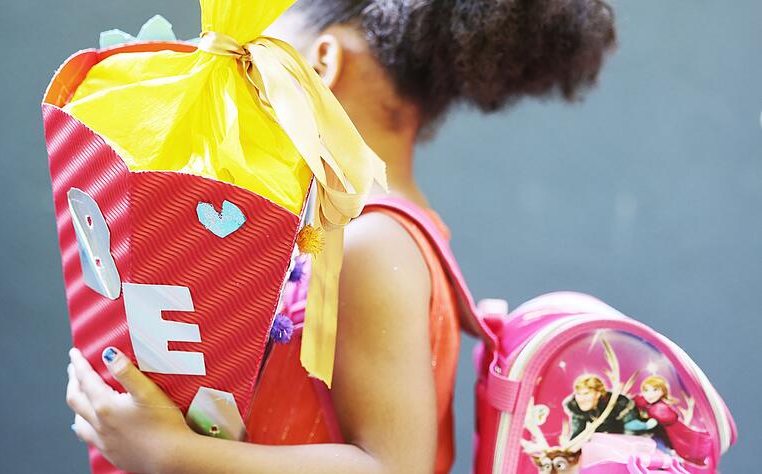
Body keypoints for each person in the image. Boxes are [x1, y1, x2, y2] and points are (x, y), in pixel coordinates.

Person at [65, 1, 617, 473]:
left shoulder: (370, 242)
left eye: (254, 63)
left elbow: (393, 466)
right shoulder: (359, 232)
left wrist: (170, 453)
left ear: (323, 61)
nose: (237, 85)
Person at [631, 375, 713, 466]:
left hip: (670, 439)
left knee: (665, 451)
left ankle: (674, 461)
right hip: (659, 437)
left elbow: (665, 417)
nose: (650, 394)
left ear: (662, 392)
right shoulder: (648, 404)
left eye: (655, 390)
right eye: (646, 390)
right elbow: (639, 400)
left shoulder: (659, 408)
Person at [564, 374, 636, 439]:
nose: (581, 399)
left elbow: (632, 435)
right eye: (578, 394)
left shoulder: (620, 405)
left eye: (586, 393)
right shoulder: (576, 408)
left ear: (598, 394)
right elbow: (577, 435)